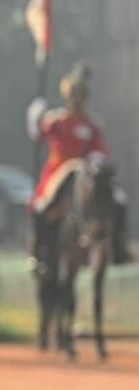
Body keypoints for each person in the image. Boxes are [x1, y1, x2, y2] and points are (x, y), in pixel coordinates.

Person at [27, 62, 131, 268]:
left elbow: (100, 149)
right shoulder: (57, 120)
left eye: (82, 95)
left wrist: (96, 159)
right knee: (41, 209)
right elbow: (38, 133)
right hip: (59, 171)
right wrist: (36, 115)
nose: (78, 99)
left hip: (84, 172)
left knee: (119, 201)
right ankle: (40, 253)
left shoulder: (91, 125)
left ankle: (118, 248)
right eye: (75, 94)